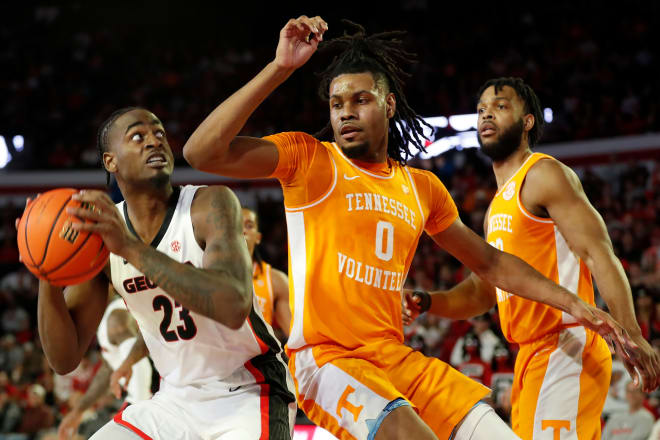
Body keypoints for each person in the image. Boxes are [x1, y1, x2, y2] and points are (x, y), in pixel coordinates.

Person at [182, 16, 633, 440]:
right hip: (327, 360)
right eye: (337, 103)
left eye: (361, 100)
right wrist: (280, 67)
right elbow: (201, 152)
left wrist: (575, 303)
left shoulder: (422, 188)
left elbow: (492, 264)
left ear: (389, 104)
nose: (345, 113)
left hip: (394, 359)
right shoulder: (309, 159)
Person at [406, 77, 660, 439]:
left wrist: (633, 336)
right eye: (480, 110)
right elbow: (483, 291)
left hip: (565, 343)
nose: (486, 115)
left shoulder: (543, 174)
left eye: (500, 106)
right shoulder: (495, 207)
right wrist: (430, 301)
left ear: (527, 121)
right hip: (530, 355)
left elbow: (600, 254)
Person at [19, 107, 295, 439]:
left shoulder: (209, 204)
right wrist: (47, 273)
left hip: (249, 389)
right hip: (173, 400)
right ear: (110, 161)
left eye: (160, 134)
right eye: (138, 136)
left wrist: (130, 248)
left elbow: (234, 306)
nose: (154, 141)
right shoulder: (103, 236)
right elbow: (64, 359)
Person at [57, 292, 153, 439]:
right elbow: (108, 368)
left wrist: (138, 410)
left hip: (154, 399)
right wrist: (79, 409)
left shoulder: (116, 317)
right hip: (149, 399)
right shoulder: (108, 317)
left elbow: (140, 365)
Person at [242, 208, 291, 337]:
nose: (243, 230)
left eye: (249, 225)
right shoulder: (212, 275)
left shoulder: (276, 280)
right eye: (236, 225)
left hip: (261, 355)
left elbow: (292, 337)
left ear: (258, 237)